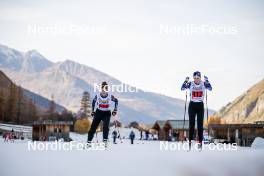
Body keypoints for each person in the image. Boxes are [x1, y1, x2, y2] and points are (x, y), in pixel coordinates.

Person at [181, 71, 212, 150]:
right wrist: (186, 81)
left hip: (200, 105)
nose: (196, 80)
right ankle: (190, 142)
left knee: (200, 125)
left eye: (198, 78)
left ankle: (200, 143)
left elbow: (210, 88)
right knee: (191, 125)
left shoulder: (203, 83)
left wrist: (207, 81)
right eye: (195, 78)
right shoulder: (191, 83)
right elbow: (182, 88)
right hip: (192, 105)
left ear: (200, 78)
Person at [87, 81, 118, 148]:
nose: (103, 91)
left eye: (105, 89)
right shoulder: (97, 96)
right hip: (98, 112)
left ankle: (105, 141)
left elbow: (116, 101)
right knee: (93, 127)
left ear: (107, 90)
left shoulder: (110, 96)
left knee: (106, 127)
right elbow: (93, 102)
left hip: (107, 113)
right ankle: (89, 142)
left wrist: (115, 110)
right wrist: (92, 111)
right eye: (102, 89)